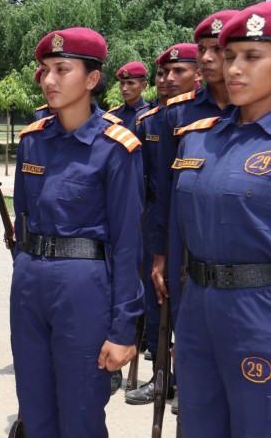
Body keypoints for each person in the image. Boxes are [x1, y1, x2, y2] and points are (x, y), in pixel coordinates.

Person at [12, 27, 144, 437]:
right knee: (34, 405)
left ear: (91, 79)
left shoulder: (116, 147)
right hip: (31, 280)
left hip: (83, 285)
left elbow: (127, 244)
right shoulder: (32, 142)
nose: (49, 80)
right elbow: (22, 217)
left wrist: (124, 328)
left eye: (62, 69)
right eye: (46, 70)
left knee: (81, 409)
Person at [166, 1, 271, 437]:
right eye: (229, 56)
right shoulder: (198, 140)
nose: (233, 69)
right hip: (198, 306)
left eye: (252, 56)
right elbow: (176, 233)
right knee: (199, 423)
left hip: (259, 310)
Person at [152, 13, 238, 312]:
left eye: (218, 49)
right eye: (202, 49)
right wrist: (160, 254)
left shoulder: (256, 110)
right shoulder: (177, 113)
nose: (208, 58)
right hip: (186, 244)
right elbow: (164, 189)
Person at [123, 58, 171, 406]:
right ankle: (161, 373)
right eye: (162, 74)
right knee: (153, 292)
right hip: (151, 213)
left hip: (187, 214)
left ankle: (184, 376)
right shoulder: (147, 121)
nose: (168, 79)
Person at [108, 61, 149, 129]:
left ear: (143, 86)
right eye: (122, 83)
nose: (124, 88)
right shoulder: (113, 115)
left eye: (130, 83)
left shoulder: (150, 114)